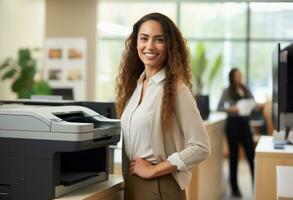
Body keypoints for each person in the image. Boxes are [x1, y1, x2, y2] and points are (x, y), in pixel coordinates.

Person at [115, 12, 210, 200]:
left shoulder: (176, 89)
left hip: (159, 185)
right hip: (132, 182)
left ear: (169, 46)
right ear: (136, 43)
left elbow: (201, 147)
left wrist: (154, 170)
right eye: (144, 38)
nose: (149, 46)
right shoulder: (138, 85)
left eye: (159, 40)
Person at [217, 68, 256, 198]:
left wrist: (253, 106)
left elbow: (253, 101)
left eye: (240, 75)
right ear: (232, 77)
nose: (240, 77)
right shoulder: (227, 91)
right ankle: (234, 189)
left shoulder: (245, 89)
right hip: (233, 125)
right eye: (237, 75)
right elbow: (219, 106)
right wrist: (232, 109)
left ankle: (256, 184)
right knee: (234, 157)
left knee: (251, 155)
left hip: (245, 124)